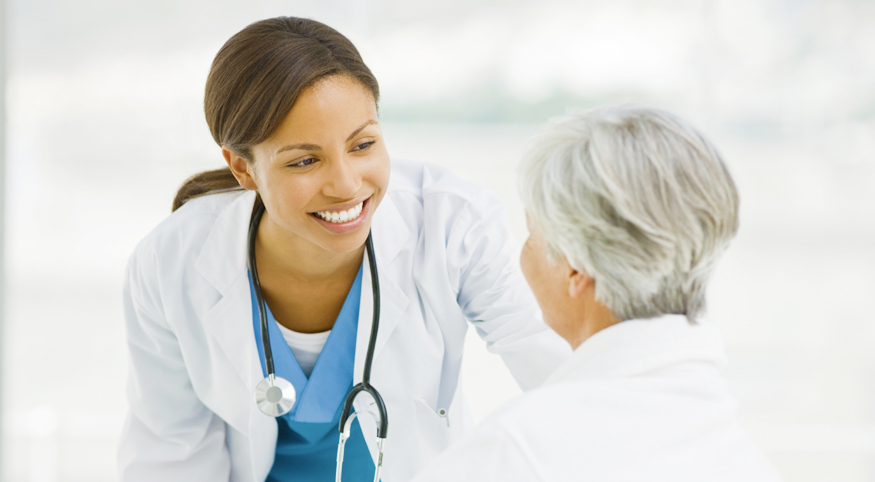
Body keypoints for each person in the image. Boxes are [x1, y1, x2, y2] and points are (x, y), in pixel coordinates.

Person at [117, 17, 570, 482]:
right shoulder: (170, 264)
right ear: (243, 168)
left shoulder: (453, 225)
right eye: (305, 161)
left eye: (363, 144)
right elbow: (168, 457)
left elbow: (565, 375)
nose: (347, 185)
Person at [412, 106, 782, 481]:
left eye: (532, 234)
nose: (524, 253)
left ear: (574, 268)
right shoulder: (743, 457)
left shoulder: (517, 451)